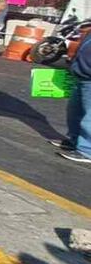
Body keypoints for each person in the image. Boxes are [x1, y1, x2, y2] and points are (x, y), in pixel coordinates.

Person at [56, 25, 91, 164]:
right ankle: (75, 140)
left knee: (89, 116)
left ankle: (87, 150)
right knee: (74, 111)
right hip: (81, 76)